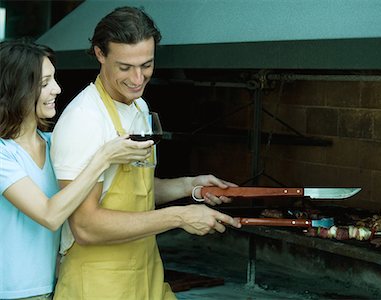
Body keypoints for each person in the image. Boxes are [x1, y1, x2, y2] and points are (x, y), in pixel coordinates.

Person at [50, 6, 241, 300]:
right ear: (100, 54)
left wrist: (191, 187)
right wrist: (179, 217)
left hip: (146, 272)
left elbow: (136, 190)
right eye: (125, 67)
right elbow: (86, 227)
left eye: (147, 65)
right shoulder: (85, 119)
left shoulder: (139, 108)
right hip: (99, 282)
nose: (138, 78)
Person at [0, 39, 154, 299]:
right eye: (44, 83)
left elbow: (88, 194)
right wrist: (103, 158)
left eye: (54, 79)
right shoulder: (4, 154)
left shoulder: (51, 143)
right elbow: (50, 215)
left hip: (53, 284)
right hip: (12, 291)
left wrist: (189, 187)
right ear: (17, 90)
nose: (57, 89)